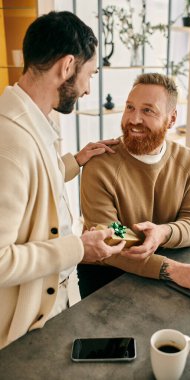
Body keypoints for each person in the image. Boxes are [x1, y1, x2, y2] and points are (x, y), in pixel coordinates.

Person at [0, 11, 126, 349]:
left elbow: (32, 183)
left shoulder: (31, 121)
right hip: (25, 330)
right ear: (67, 65)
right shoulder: (10, 142)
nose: (87, 89)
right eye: (89, 75)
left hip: (53, 308)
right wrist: (78, 249)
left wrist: (73, 162)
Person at [79, 73, 190, 300]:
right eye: (130, 107)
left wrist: (163, 232)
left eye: (147, 110)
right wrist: (170, 269)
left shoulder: (188, 162)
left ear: (171, 119)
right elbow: (109, 235)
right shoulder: (99, 165)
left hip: (160, 263)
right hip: (108, 274)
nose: (134, 119)